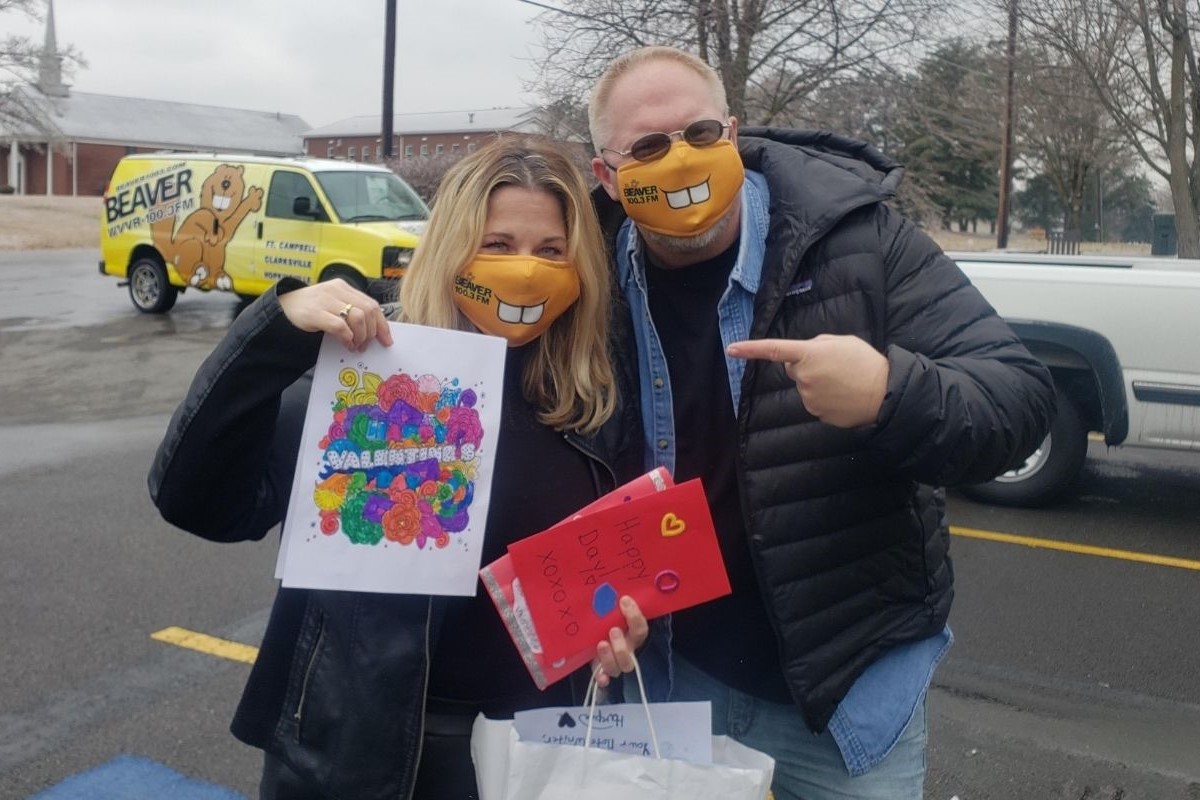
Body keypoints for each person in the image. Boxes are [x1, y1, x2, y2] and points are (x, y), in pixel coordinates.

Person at [587, 46, 1056, 799]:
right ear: (607, 173)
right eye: (647, 146)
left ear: (734, 135)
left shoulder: (859, 241)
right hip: (673, 677)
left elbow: (1019, 400)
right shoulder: (591, 272)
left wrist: (888, 393)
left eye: (702, 134)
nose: (680, 161)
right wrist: (325, 327)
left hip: (849, 694)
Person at [149, 134, 648, 800]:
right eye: (498, 245)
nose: (525, 270)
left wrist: (614, 628)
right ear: (451, 248)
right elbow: (201, 503)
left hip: (538, 750)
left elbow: (605, 569)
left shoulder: (596, 399)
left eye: (550, 250)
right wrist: (272, 337)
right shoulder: (367, 376)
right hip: (362, 750)